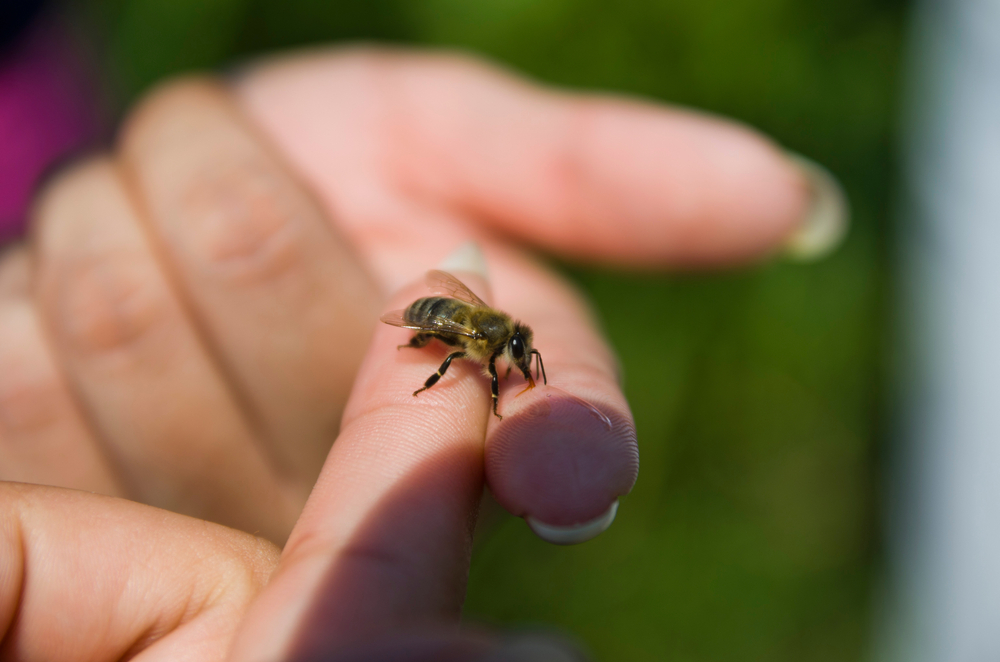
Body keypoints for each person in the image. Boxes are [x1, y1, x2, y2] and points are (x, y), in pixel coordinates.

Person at [0, 48, 844, 660]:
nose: (515, 359)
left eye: (515, 355)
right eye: (516, 353)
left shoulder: (501, 334)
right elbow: (452, 328)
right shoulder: (477, 338)